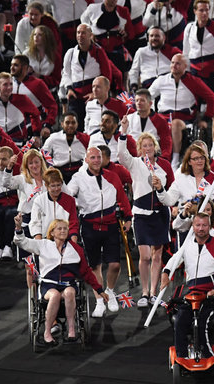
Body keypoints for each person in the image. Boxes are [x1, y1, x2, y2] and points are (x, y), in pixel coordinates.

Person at [14, 215, 108, 344]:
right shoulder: (44, 245)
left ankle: (71, 330)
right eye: (59, 229)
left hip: (68, 284)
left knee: (70, 292)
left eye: (65, 228)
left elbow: (86, 272)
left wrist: (99, 290)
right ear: (52, 232)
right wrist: (19, 228)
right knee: (55, 295)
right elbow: (22, 242)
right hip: (49, 284)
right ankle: (47, 332)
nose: (63, 231)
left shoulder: (76, 249)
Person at [66, 147, 132, 317]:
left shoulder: (112, 176)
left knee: (115, 265)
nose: (96, 160)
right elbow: (67, 195)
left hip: (111, 225)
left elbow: (122, 198)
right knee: (95, 266)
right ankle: (100, 301)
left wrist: (128, 217)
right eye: (93, 157)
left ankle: (109, 291)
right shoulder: (78, 178)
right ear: (86, 160)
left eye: (99, 157)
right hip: (89, 226)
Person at [118, 117, 174, 306]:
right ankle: (143, 292)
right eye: (144, 145)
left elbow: (172, 187)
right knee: (145, 256)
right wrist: (123, 131)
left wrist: (168, 198)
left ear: (155, 147)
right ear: (140, 148)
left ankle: (153, 293)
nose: (148, 148)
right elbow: (121, 155)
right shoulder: (135, 163)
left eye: (150, 145)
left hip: (160, 214)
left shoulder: (165, 165)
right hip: (141, 214)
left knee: (157, 255)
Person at [160, 211, 214, 359]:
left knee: (202, 322)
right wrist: (166, 273)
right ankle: (181, 357)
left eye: (204, 225)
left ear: (209, 226)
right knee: (180, 321)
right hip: (191, 293)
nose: (201, 228)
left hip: (211, 293)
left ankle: (207, 356)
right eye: (198, 225)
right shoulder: (187, 245)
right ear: (192, 226)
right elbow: (175, 259)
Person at [148, 53, 214, 166]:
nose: (174, 66)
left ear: (185, 66)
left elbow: (212, 98)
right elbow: (148, 96)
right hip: (163, 116)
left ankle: (174, 160)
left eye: (178, 63)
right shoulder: (161, 80)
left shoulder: (193, 81)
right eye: (172, 63)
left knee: (175, 124)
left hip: (184, 119)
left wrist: (206, 118)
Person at [153, 143, 214, 231]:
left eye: (202, 158)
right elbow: (169, 201)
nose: (200, 161)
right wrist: (160, 189)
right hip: (186, 228)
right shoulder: (181, 179)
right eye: (196, 158)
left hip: (210, 230)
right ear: (189, 161)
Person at [59, 24, 115, 128]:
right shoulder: (70, 53)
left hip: (93, 97)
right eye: (78, 33)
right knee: (75, 127)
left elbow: (107, 76)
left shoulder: (99, 52)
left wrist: (96, 94)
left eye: (83, 33)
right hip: (75, 96)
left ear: (90, 35)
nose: (80, 35)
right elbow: (66, 73)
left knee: (92, 126)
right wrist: (69, 89)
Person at [80, 0, 135, 73]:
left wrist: (125, 34)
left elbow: (131, 33)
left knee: (118, 76)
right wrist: (90, 33)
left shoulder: (123, 11)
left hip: (116, 50)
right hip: (99, 49)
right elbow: (83, 20)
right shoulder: (93, 8)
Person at [0, 72, 41, 146]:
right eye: (5, 84)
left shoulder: (22, 99)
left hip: (18, 140)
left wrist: (36, 134)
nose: (9, 87)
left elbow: (36, 114)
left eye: (11, 84)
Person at [10, 55, 58, 139]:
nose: (12, 68)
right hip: (14, 130)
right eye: (11, 65)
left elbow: (52, 106)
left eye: (16, 65)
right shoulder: (7, 84)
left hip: (35, 130)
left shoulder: (37, 84)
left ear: (25, 67)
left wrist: (47, 125)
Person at [29, 168, 80, 240]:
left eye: (58, 185)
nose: (56, 189)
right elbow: (35, 224)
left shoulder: (70, 200)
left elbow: (73, 224)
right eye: (53, 186)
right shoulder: (39, 201)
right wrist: (40, 245)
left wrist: (73, 246)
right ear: (46, 185)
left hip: (65, 240)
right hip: (45, 240)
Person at [123, 88, 173, 161]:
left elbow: (166, 142)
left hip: (152, 157)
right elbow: (121, 138)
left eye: (142, 100)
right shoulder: (129, 118)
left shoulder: (160, 120)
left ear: (150, 103)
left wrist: (164, 159)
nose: (139, 103)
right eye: (137, 100)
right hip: (131, 158)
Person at [128, 26, 181, 90]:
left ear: (164, 38)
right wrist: (134, 84)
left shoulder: (172, 51)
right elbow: (134, 71)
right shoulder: (141, 52)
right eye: (151, 36)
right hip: (148, 83)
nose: (154, 38)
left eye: (157, 36)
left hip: (167, 83)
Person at [43, 112, 90, 182]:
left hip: (79, 171)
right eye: (67, 123)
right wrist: (50, 166)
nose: (70, 125)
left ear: (77, 124)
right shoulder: (54, 138)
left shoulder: (85, 138)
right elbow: (43, 152)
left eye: (73, 122)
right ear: (62, 124)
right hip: (59, 172)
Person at [26, 25, 63, 90]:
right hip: (30, 88)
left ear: (46, 37)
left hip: (49, 89)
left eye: (40, 35)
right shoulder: (26, 54)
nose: (36, 37)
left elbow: (57, 80)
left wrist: (40, 77)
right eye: (34, 34)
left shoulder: (55, 56)